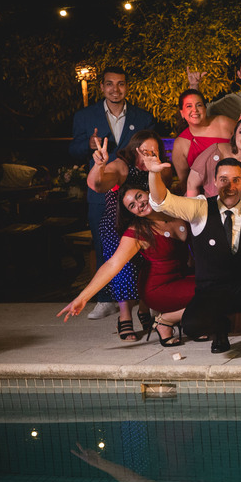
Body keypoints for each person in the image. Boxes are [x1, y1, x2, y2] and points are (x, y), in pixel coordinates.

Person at [146, 155, 241, 355]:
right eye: (224, 179)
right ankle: (220, 330)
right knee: (193, 326)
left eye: (236, 179)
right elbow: (162, 201)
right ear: (215, 182)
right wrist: (153, 173)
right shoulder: (199, 207)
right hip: (211, 292)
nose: (230, 185)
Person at [59, 176, 195, 347]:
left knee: (217, 289)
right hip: (158, 288)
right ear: (131, 213)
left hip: (183, 279)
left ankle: (188, 320)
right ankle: (164, 321)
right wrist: (82, 297)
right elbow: (112, 265)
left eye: (139, 196)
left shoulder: (175, 210)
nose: (139, 204)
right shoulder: (137, 232)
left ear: (147, 191)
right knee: (211, 295)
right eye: (132, 205)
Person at [69, 65, 156, 320]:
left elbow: (151, 147)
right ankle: (105, 299)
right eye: (110, 84)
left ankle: (144, 299)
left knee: (141, 245)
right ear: (102, 87)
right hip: (101, 190)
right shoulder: (85, 116)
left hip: (136, 192)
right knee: (102, 242)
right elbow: (73, 150)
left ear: (127, 86)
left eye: (120, 84)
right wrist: (88, 144)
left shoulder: (142, 117)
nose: (115, 89)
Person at [85, 130, 166, 340]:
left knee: (149, 264)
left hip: (145, 224)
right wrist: (99, 166)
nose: (148, 155)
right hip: (117, 226)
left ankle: (144, 309)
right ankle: (124, 317)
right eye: (143, 151)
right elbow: (96, 184)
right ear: (134, 150)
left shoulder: (159, 168)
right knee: (124, 267)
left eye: (153, 151)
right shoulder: (121, 166)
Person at [188, 116, 241, 206]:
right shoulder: (216, 151)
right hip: (208, 214)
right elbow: (192, 184)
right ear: (235, 134)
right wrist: (193, 215)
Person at [170, 89, 236, 188]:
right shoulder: (180, 144)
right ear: (182, 113)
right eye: (189, 106)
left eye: (199, 105)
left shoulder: (223, 123)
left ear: (205, 108)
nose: (195, 110)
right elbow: (185, 182)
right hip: (203, 193)